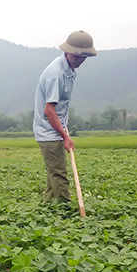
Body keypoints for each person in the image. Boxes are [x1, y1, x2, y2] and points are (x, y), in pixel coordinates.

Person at [33, 30, 96, 203]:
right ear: (68, 52)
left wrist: (63, 117)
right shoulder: (56, 74)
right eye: (78, 57)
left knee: (53, 174)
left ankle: (49, 208)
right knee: (59, 175)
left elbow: (58, 105)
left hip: (54, 127)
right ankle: (64, 213)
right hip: (49, 132)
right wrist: (65, 136)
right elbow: (49, 110)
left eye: (84, 58)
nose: (80, 61)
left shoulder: (68, 68)